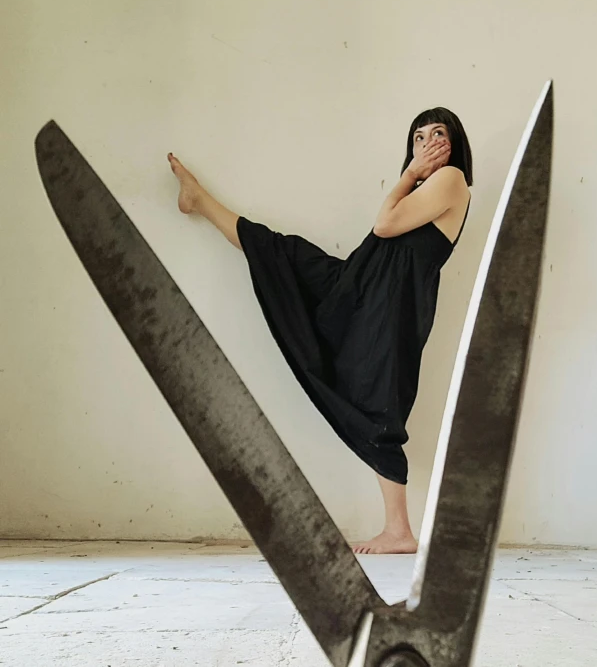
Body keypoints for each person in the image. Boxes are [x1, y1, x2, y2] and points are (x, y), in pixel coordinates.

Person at [168, 107, 473, 555]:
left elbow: (384, 225)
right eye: (418, 137)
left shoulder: (451, 180)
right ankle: (199, 199)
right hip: (358, 286)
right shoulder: (422, 188)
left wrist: (409, 175)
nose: (426, 144)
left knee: (381, 407)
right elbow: (385, 233)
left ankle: (399, 531)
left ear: (453, 143)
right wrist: (410, 177)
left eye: (437, 134)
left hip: (389, 308)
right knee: (281, 253)